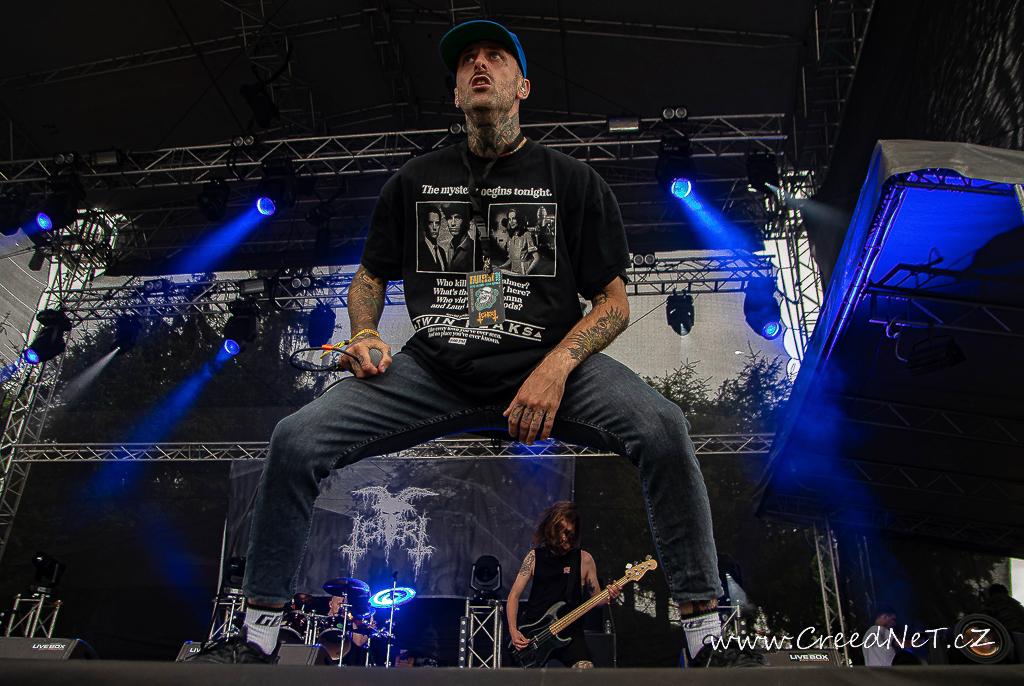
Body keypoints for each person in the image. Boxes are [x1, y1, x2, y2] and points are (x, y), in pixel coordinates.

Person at [189, 19, 722, 665]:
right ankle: (256, 636)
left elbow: (613, 303)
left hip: (549, 366)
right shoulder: (414, 180)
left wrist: (556, 366)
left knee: (663, 428)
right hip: (434, 371)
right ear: (456, 93)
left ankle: (706, 638)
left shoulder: (574, 181)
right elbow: (369, 277)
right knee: (295, 440)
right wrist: (364, 333)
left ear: (522, 85)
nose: (479, 65)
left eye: (495, 56)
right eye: (467, 59)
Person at [507, 502, 620, 668]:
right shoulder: (533, 557)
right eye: (562, 531)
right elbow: (514, 596)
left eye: (570, 533)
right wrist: (514, 631)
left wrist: (611, 597)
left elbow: (597, 600)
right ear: (551, 529)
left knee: (586, 671)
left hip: (570, 631)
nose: (565, 538)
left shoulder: (584, 560)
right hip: (534, 634)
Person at [417, 207, 448, 272]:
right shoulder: (418, 250)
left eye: (437, 223)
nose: (434, 228)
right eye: (430, 223)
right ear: (425, 225)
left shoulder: (442, 252)